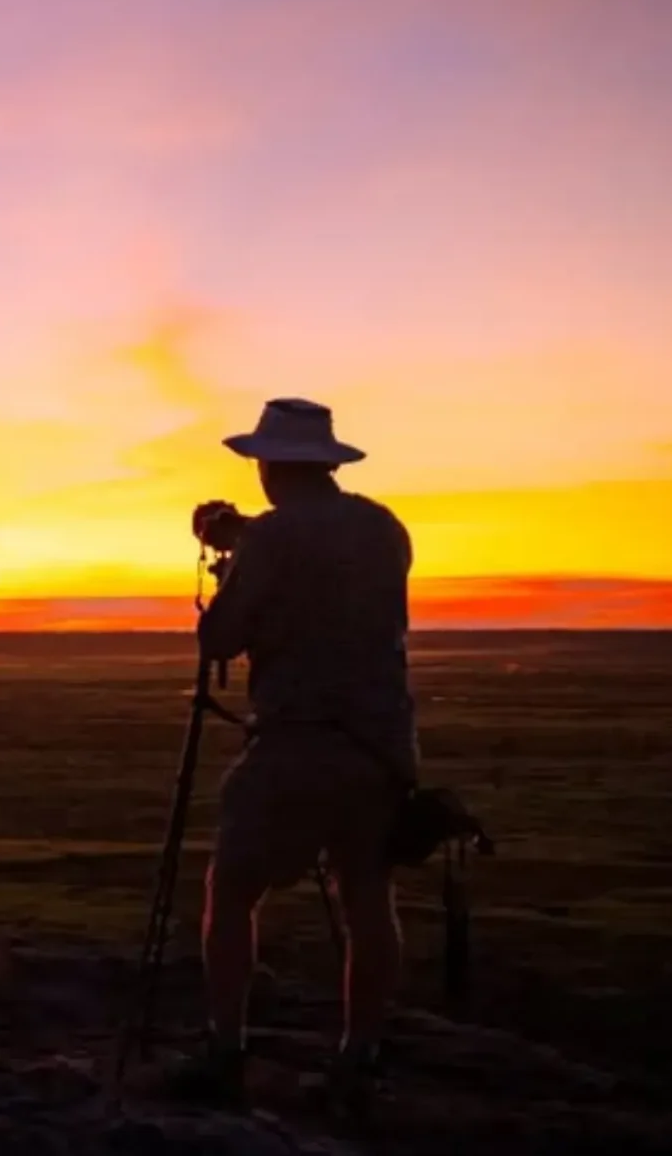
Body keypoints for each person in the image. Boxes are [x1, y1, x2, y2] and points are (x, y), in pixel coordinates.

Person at [172, 398, 415, 1112]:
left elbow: (220, 640)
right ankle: (360, 1055)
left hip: (297, 740)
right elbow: (324, 562)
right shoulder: (384, 528)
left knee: (233, 889)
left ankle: (226, 1050)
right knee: (369, 894)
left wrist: (232, 565)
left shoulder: (270, 541)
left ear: (272, 464)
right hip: (380, 743)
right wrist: (243, 539)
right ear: (329, 463)